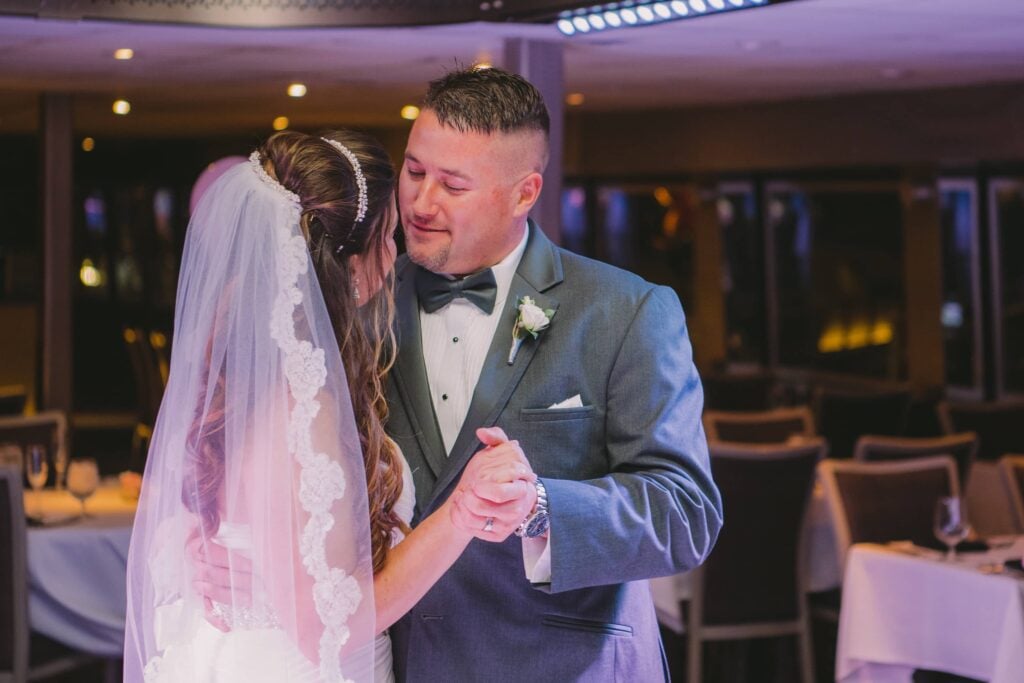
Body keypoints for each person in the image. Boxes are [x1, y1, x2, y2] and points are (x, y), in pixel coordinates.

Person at [123, 130, 534, 682]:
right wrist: (460, 513)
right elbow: (327, 626)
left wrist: (254, 575)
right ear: (348, 262)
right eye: (389, 234)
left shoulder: (250, 365)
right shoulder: (302, 400)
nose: (398, 254)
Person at [385, 66, 723, 681]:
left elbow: (684, 513)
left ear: (524, 193)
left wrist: (541, 509)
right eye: (413, 172)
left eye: (452, 186)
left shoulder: (626, 310)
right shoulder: (362, 306)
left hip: (565, 664)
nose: (420, 202)